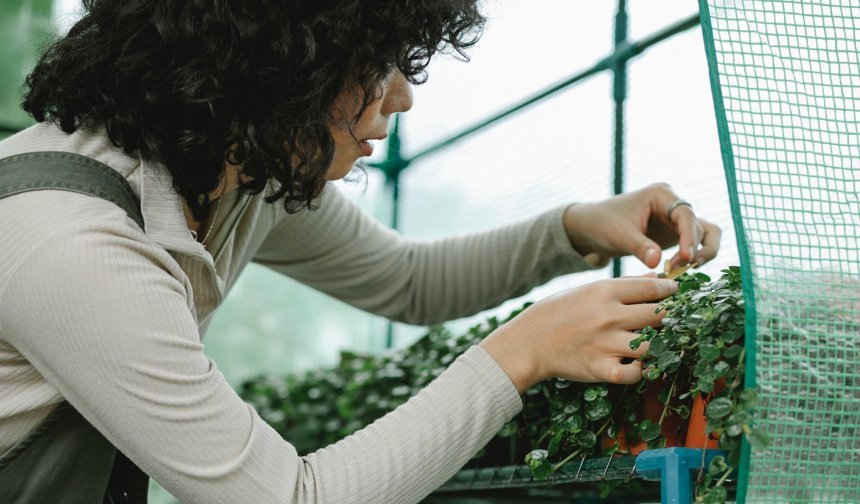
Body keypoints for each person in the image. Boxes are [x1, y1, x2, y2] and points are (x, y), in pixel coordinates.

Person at [0, 1, 721, 502]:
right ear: (270, 65)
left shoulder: (229, 172)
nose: (401, 98)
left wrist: (575, 229)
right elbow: (285, 497)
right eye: (374, 66)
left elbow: (407, 280)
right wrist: (522, 354)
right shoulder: (73, 243)